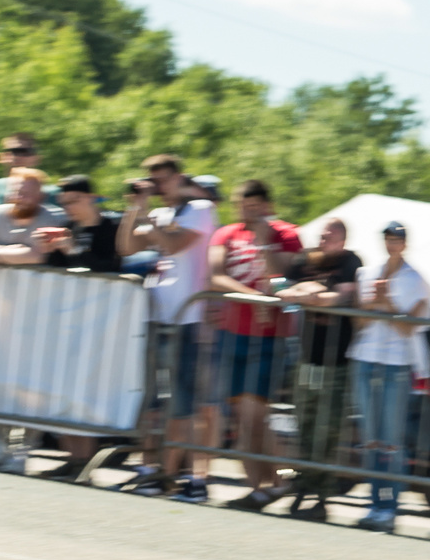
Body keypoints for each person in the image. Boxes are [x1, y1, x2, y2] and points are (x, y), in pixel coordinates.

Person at [123, 155, 218, 498]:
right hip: (157, 316)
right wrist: (135, 208)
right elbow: (128, 247)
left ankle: (182, 475)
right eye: (154, 181)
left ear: (179, 178)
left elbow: (176, 245)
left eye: (163, 180)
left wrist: (148, 214)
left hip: (187, 318)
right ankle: (149, 470)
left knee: (183, 404)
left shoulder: (200, 209)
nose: (159, 187)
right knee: (153, 401)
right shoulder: (161, 214)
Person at [207, 179, 302, 508]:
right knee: (242, 418)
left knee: (256, 415)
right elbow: (216, 276)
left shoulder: (287, 234)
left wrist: (264, 243)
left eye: (254, 206)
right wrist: (255, 298)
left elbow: (284, 278)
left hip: (270, 338)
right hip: (233, 333)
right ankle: (260, 485)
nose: (247, 212)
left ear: (265, 205)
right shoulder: (227, 233)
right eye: (242, 206)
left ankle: (280, 478)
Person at [347, 223, 430, 534]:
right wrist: (374, 302)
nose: (392, 243)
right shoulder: (366, 273)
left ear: (405, 243)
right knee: (371, 439)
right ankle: (374, 502)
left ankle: (389, 506)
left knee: (391, 441)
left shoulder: (416, 279)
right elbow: (359, 321)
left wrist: (389, 303)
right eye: (388, 238)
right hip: (366, 358)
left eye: (398, 239)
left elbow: (409, 326)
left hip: (397, 363)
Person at [279, 219, 364, 518]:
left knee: (327, 429)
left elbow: (340, 296)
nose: (324, 236)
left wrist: (309, 292)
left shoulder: (349, 260)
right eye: (323, 233)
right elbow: (283, 291)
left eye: (331, 233)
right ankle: (304, 483)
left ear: (343, 237)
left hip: (336, 360)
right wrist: (312, 291)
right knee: (304, 424)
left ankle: (322, 497)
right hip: (307, 356)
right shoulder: (305, 258)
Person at [0, 133, 37, 211]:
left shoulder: (51, 193)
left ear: (36, 158)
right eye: (12, 151)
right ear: (1, 157)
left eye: (25, 151)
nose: (17, 156)